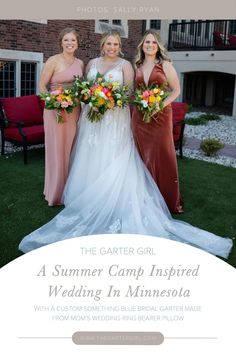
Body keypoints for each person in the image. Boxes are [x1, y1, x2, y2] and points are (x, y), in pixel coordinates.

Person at [19, 30, 233, 260]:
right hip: (92, 120)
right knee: (89, 154)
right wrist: (93, 97)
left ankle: (112, 196)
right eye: (108, 43)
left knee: (113, 155)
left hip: (114, 120)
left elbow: (130, 93)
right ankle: (86, 194)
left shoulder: (126, 66)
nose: (111, 47)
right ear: (102, 45)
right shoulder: (89, 62)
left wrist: (110, 99)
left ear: (120, 46)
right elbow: (82, 88)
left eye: (115, 44)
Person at [131, 30, 183, 214]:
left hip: (160, 116)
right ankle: (145, 196)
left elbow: (175, 90)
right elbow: (135, 91)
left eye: (153, 42)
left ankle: (167, 198)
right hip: (139, 118)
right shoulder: (137, 65)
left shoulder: (165, 65)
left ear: (158, 45)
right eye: (147, 42)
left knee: (162, 154)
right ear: (142, 45)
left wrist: (158, 105)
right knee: (142, 154)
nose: (150, 45)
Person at [39, 27, 84, 206]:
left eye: (73, 40)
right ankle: (55, 192)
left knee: (72, 149)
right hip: (55, 110)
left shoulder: (80, 63)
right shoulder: (53, 60)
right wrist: (53, 101)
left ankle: (70, 190)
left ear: (77, 43)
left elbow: (81, 87)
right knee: (56, 149)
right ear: (61, 42)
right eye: (66, 40)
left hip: (74, 110)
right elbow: (42, 87)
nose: (70, 43)